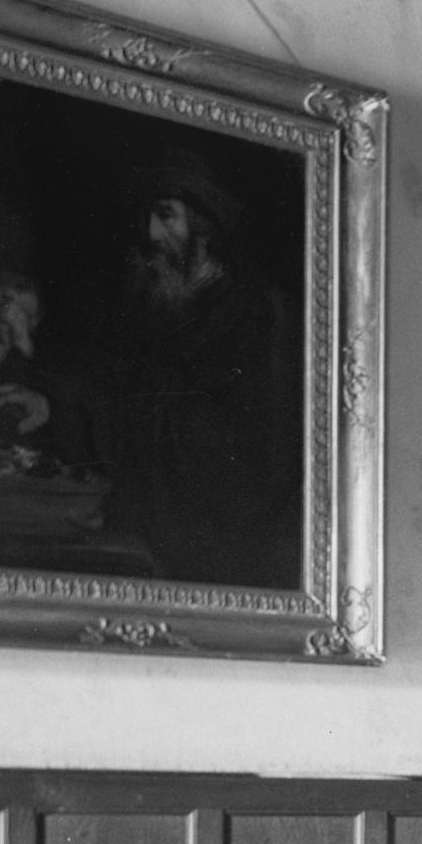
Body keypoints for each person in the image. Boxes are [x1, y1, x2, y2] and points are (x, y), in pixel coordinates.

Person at [101, 147, 304, 587]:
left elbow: (264, 445)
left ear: (204, 226)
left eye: (165, 216)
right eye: (145, 217)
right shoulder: (154, 308)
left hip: (229, 546)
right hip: (148, 535)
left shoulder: (260, 313)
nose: (150, 234)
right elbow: (115, 396)